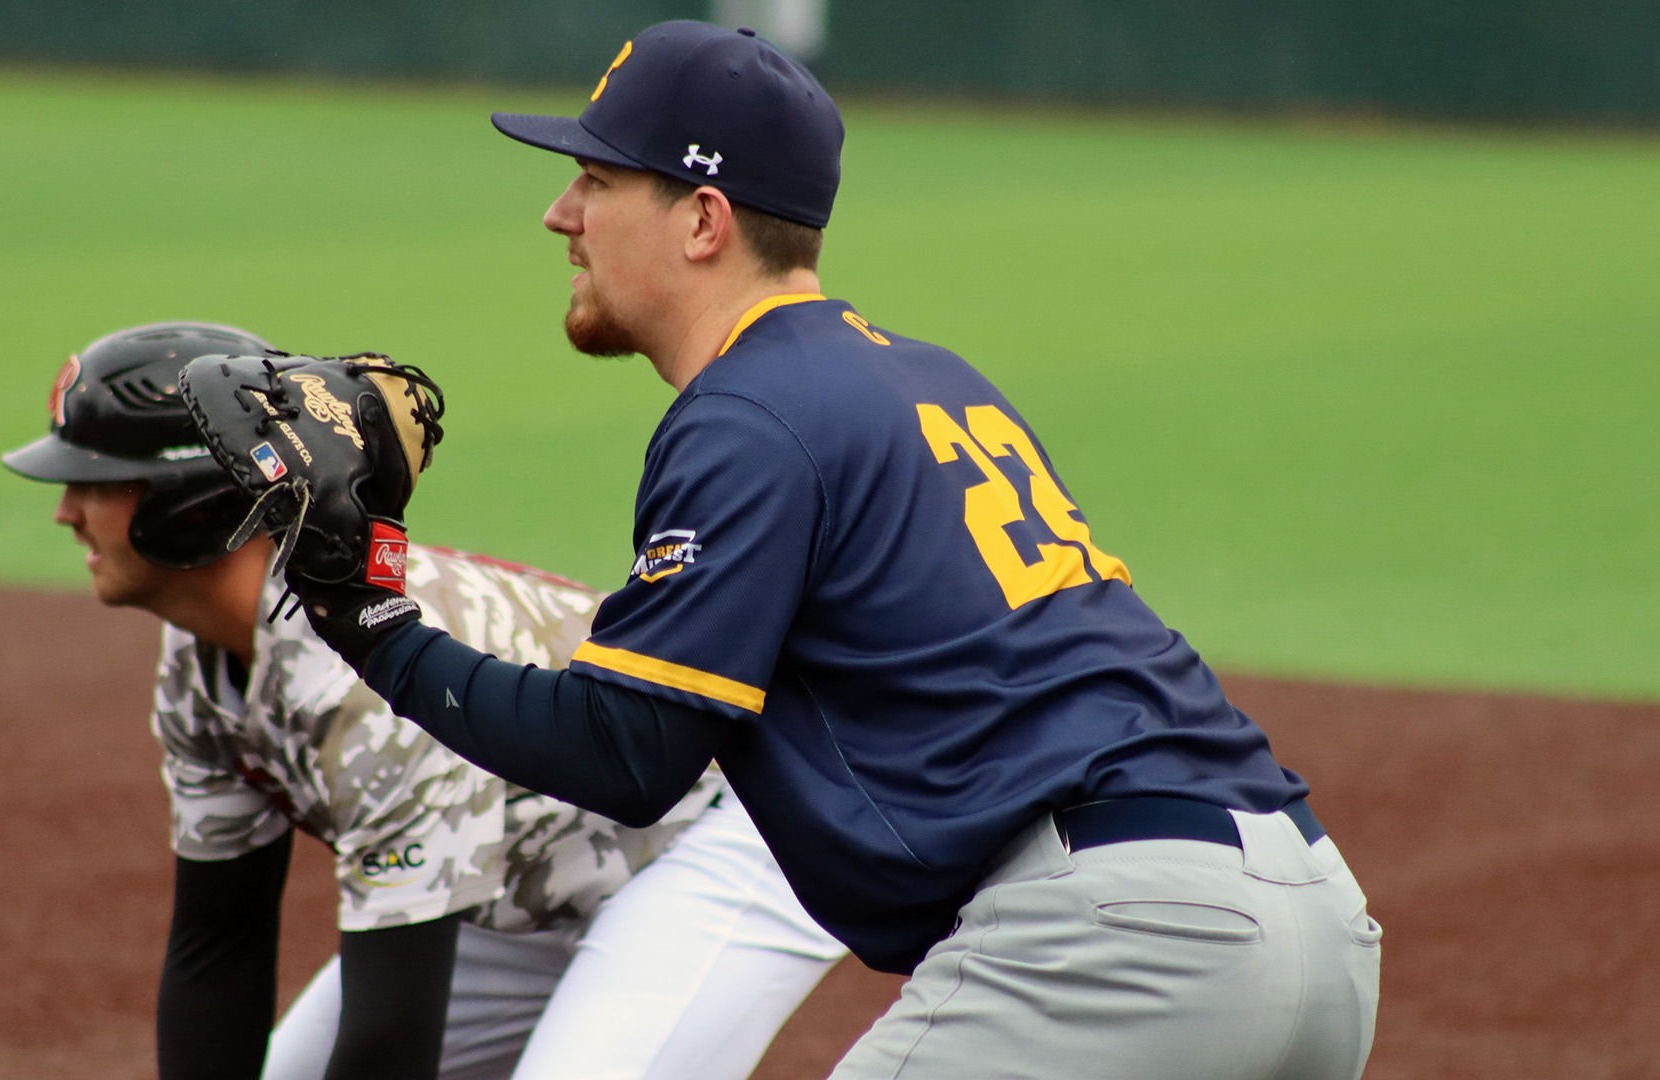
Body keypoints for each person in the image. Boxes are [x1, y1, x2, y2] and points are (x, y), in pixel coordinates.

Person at [271, 21, 1382, 1080]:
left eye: (599, 181)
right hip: (1314, 919)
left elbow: (628, 754)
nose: (561, 213)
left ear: (703, 220)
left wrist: (370, 619)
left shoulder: (749, 413)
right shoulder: (928, 376)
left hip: (1122, 941)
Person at [1, 321, 846, 1080]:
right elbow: (221, 943)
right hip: (523, 876)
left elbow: (388, 1042)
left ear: (189, 505)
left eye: (94, 482)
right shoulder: (200, 660)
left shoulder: (357, 683)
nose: (66, 513)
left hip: (719, 835)